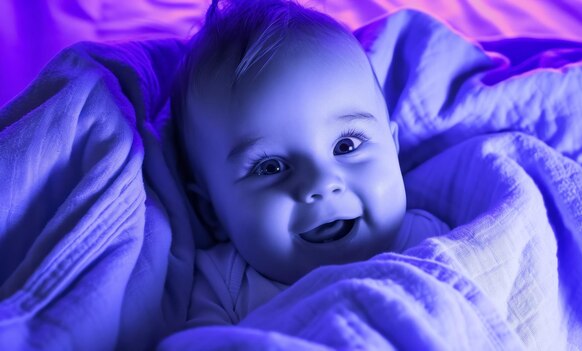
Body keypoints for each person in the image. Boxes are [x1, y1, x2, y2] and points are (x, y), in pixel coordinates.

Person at [171, 0, 449, 325]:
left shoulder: (432, 239)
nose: (320, 183)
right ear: (211, 212)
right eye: (271, 167)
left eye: (346, 146)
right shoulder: (224, 284)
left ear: (393, 149)